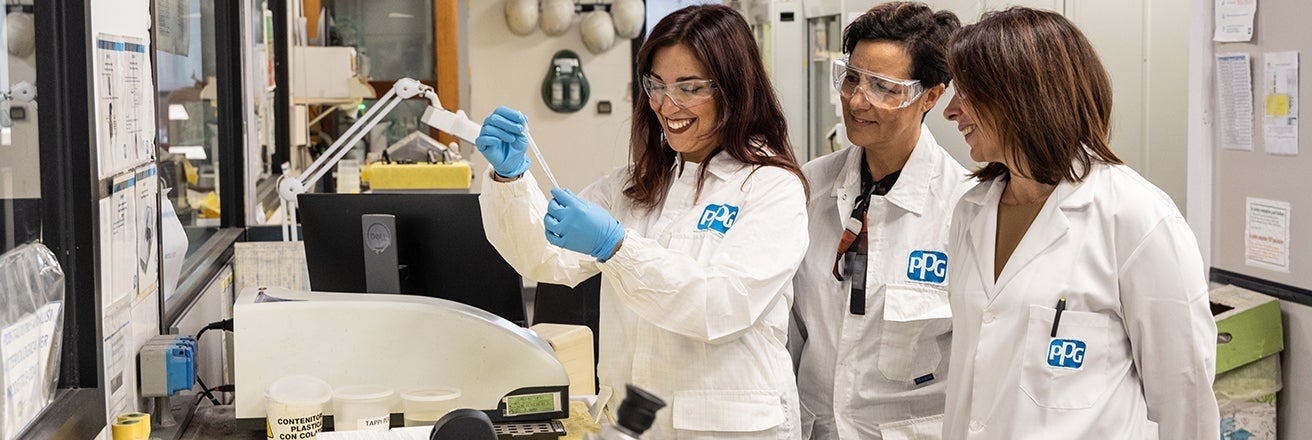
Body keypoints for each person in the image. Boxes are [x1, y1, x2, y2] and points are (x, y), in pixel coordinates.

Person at [475, 5, 808, 439]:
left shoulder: (770, 188)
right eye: (657, 85)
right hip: (633, 424)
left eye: (689, 88)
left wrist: (616, 248)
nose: (667, 105)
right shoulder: (637, 184)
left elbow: (720, 306)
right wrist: (510, 177)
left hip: (730, 430)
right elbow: (542, 258)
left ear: (735, 89)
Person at [939, 7, 1219, 439]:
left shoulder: (1135, 216)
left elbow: (1185, 397)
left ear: (1021, 96)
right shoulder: (971, 210)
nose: (951, 111)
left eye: (967, 93)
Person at [789, 3, 968, 439]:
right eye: (851, 78)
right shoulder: (810, 186)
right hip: (816, 429)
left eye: (884, 87)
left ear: (930, 96)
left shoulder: (965, 207)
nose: (856, 100)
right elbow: (789, 331)